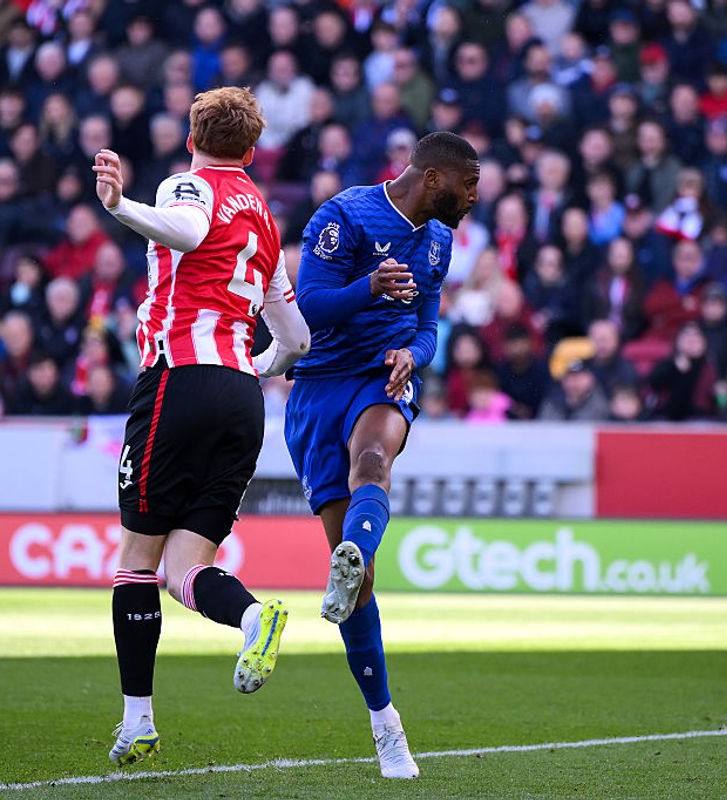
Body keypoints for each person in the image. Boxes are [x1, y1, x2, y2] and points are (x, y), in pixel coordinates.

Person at [91, 86, 310, 766]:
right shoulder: (267, 221)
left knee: (135, 561)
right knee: (187, 565)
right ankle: (252, 618)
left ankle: (137, 722)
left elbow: (184, 232)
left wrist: (120, 206)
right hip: (242, 395)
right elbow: (296, 339)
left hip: (178, 380)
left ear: (192, 139)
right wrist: (251, 366)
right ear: (251, 150)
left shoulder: (187, 186)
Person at [286, 131, 478, 779]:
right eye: (467, 186)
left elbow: (427, 327)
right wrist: (368, 287)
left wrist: (412, 356)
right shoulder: (345, 217)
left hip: (381, 378)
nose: (473, 198)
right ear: (432, 180)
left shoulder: (440, 242)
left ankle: (355, 555)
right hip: (317, 389)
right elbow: (307, 306)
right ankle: (383, 720)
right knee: (359, 589)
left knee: (374, 461)